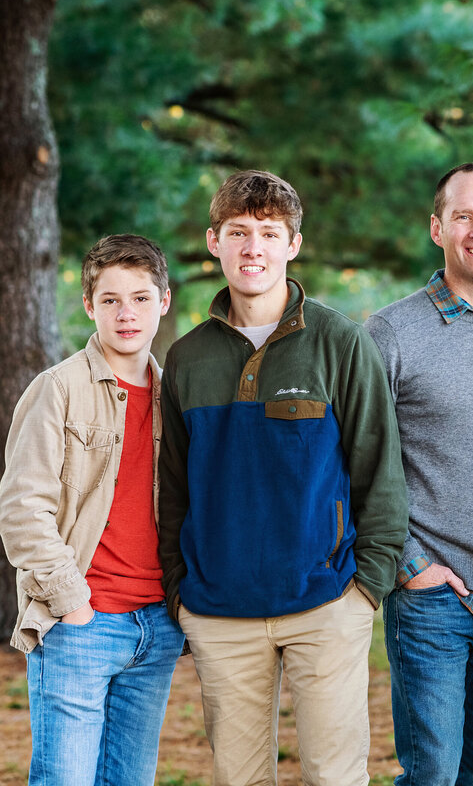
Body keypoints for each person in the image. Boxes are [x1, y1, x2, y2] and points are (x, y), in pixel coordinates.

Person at [156, 170, 408, 786]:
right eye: (238, 233)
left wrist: (366, 588)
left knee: (335, 776)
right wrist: (178, 591)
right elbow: (173, 490)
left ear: (293, 244)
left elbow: (379, 468)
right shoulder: (187, 358)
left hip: (326, 604)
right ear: (213, 240)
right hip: (219, 611)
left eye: (270, 233)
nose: (253, 248)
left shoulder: (342, 342)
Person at [364, 162, 473, 785]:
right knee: (431, 773)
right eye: (463, 215)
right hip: (432, 595)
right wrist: (409, 566)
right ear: (437, 227)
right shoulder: (390, 331)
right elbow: (354, 460)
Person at [0, 234, 185, 786]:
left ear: (164, 302)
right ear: (88, 305)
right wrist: (72, 602)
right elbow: (21, 509)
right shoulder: (57, 389)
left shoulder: (175, 396)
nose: (126, 314)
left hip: (156, 624)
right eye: (110, 300)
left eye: (141, 298)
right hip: (82, 623)